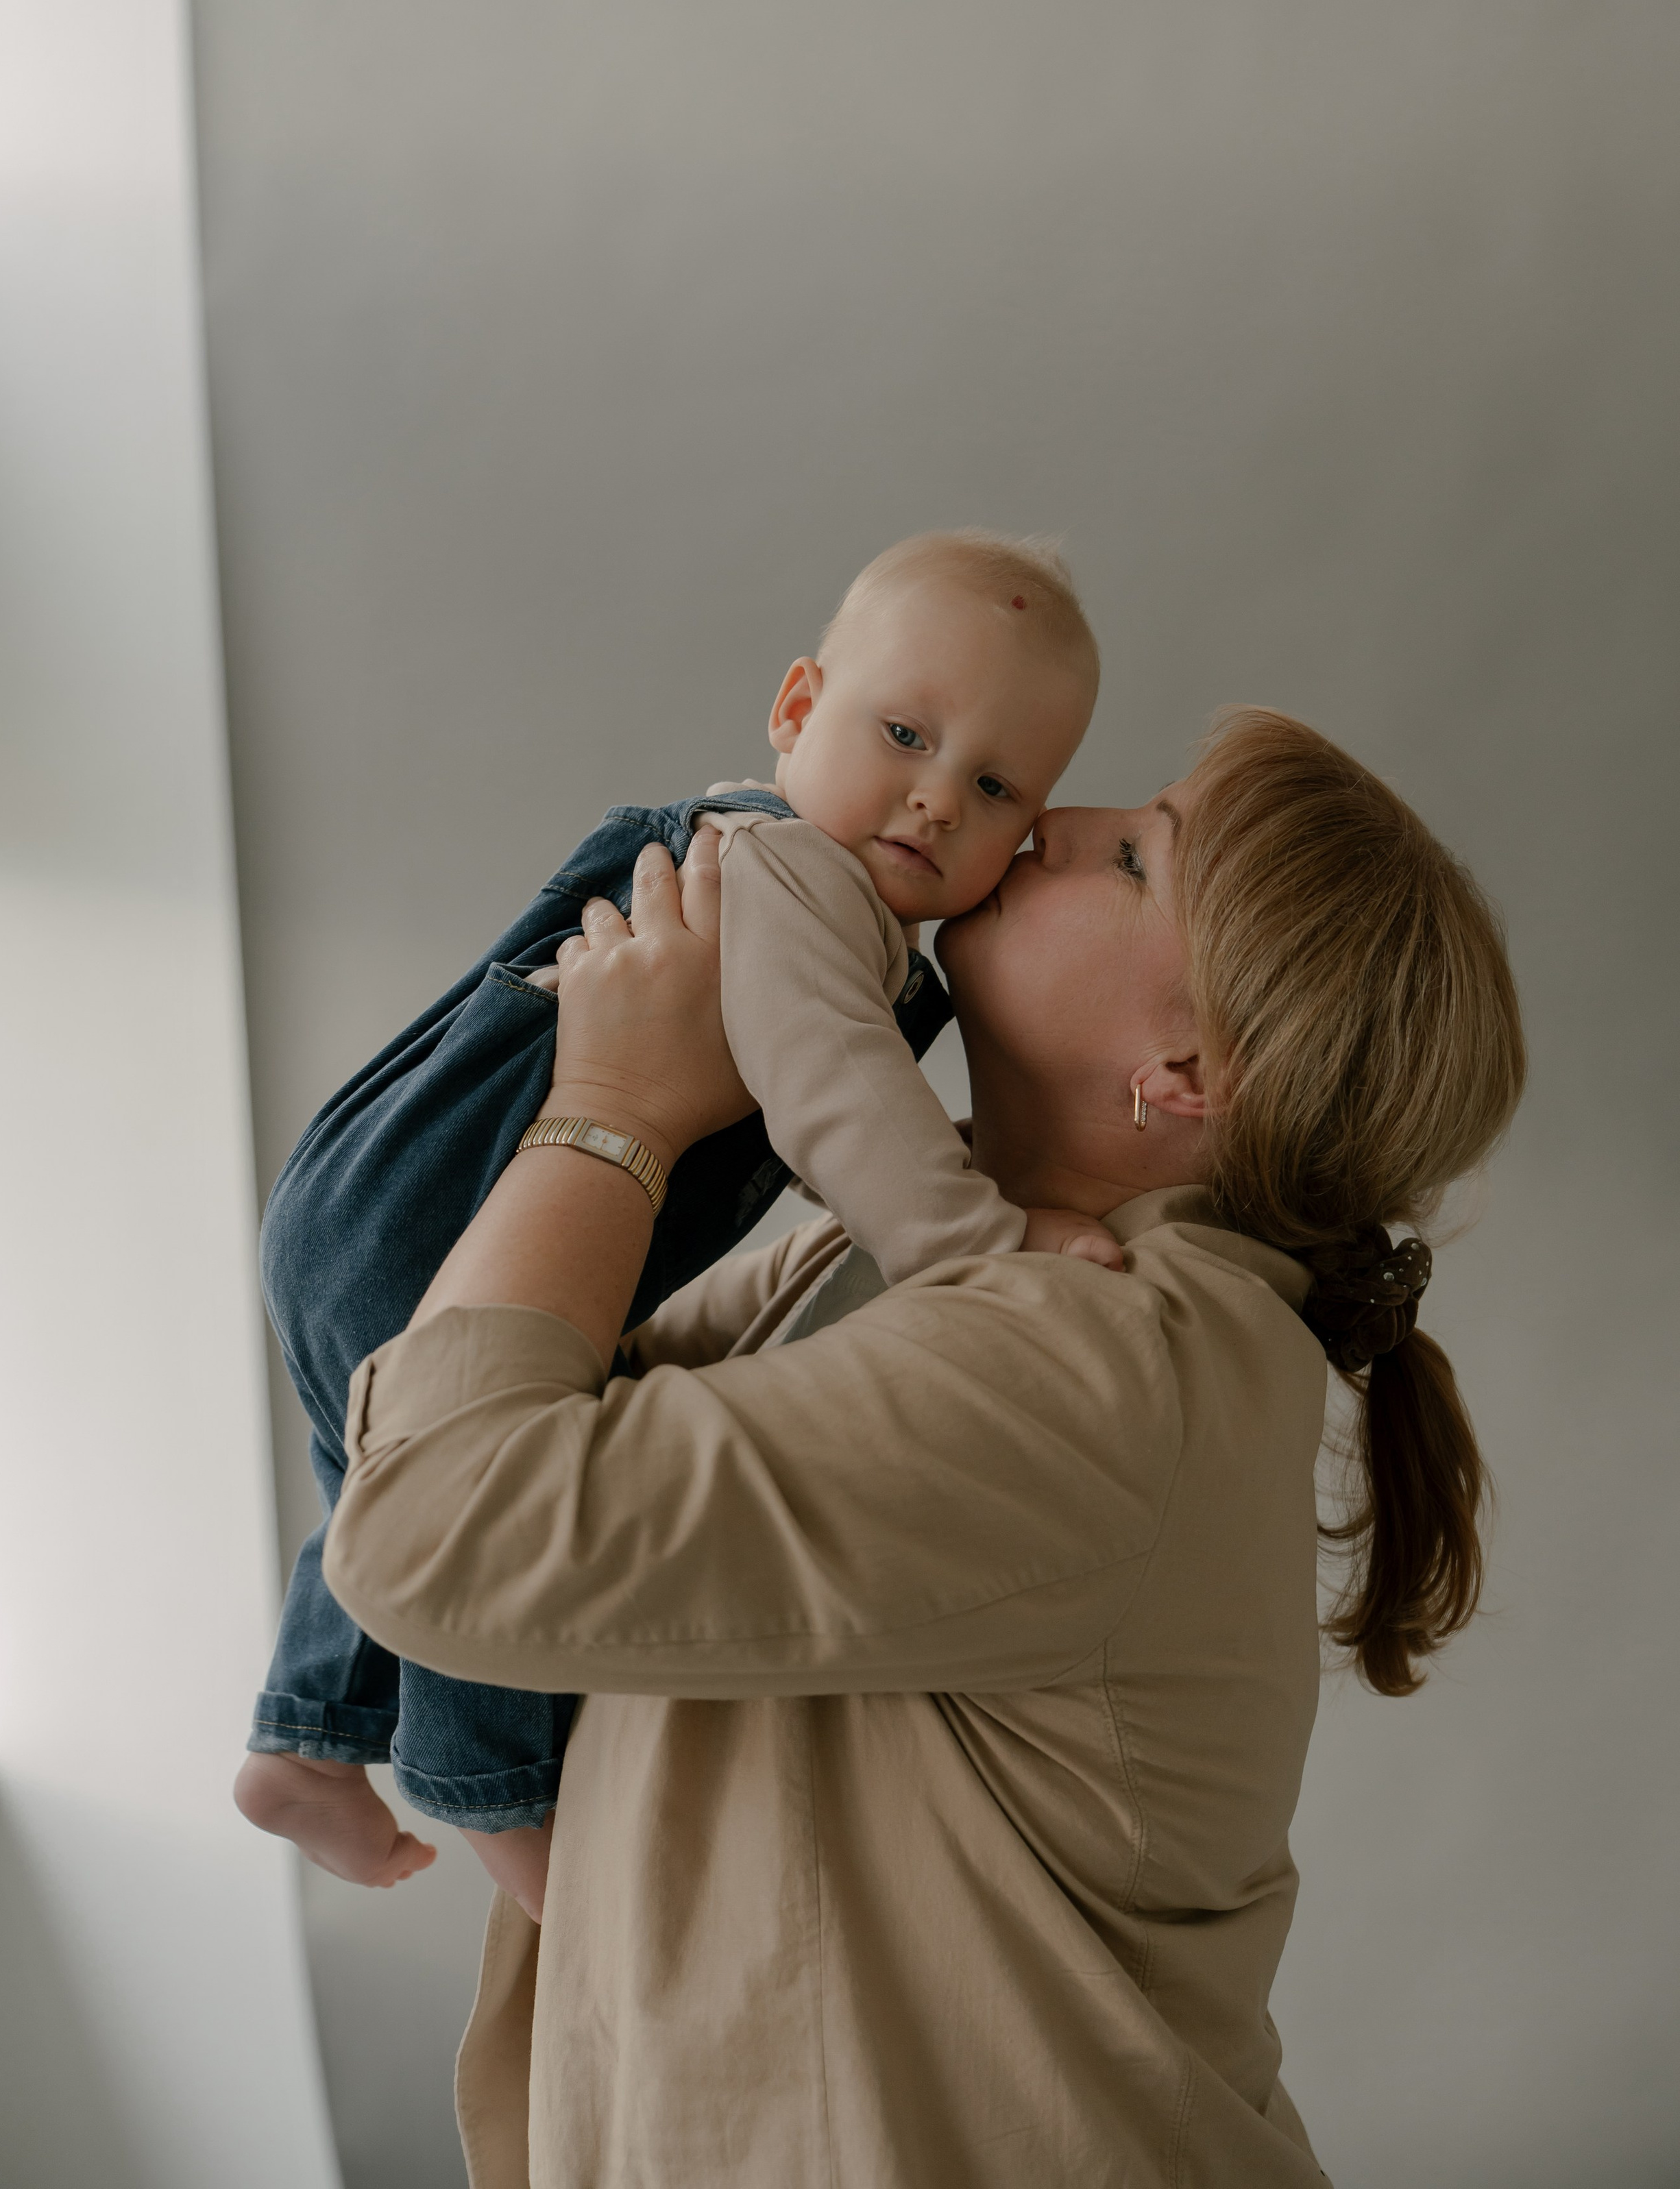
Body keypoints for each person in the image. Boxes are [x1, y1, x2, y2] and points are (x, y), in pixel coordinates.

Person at [322, 705, 1524, 2189]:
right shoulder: (915, 1259)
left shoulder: (1093, 1367)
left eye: (1139, 859)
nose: (1057, 823)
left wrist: (615, 1107)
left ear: (1188, 1076)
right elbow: (485, 1398)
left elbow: (437, 1525)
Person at [235, 530, 1114, 1907]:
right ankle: (520, 1837)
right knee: (482, 1530)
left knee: (376, 1457)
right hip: (431, 1228)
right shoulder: (793, 880)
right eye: (903, 732)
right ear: (794, 710)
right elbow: (834, 1102)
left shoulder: (763, 872)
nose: (937, 800)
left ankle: (303, 1742)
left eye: (994, 784)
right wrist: (981, 1250)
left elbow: (825, 1112)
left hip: (355, 1203)